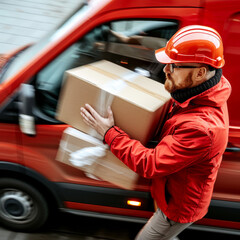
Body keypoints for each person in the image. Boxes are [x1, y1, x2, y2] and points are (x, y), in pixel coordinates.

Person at [80, 25, 231, 240]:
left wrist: (109, 132)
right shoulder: (205, 89)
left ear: (200, 72)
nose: (166, 70)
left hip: (177, 208)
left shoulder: (201, 129)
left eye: (175, 65)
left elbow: (150, 164)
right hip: (168, 192)